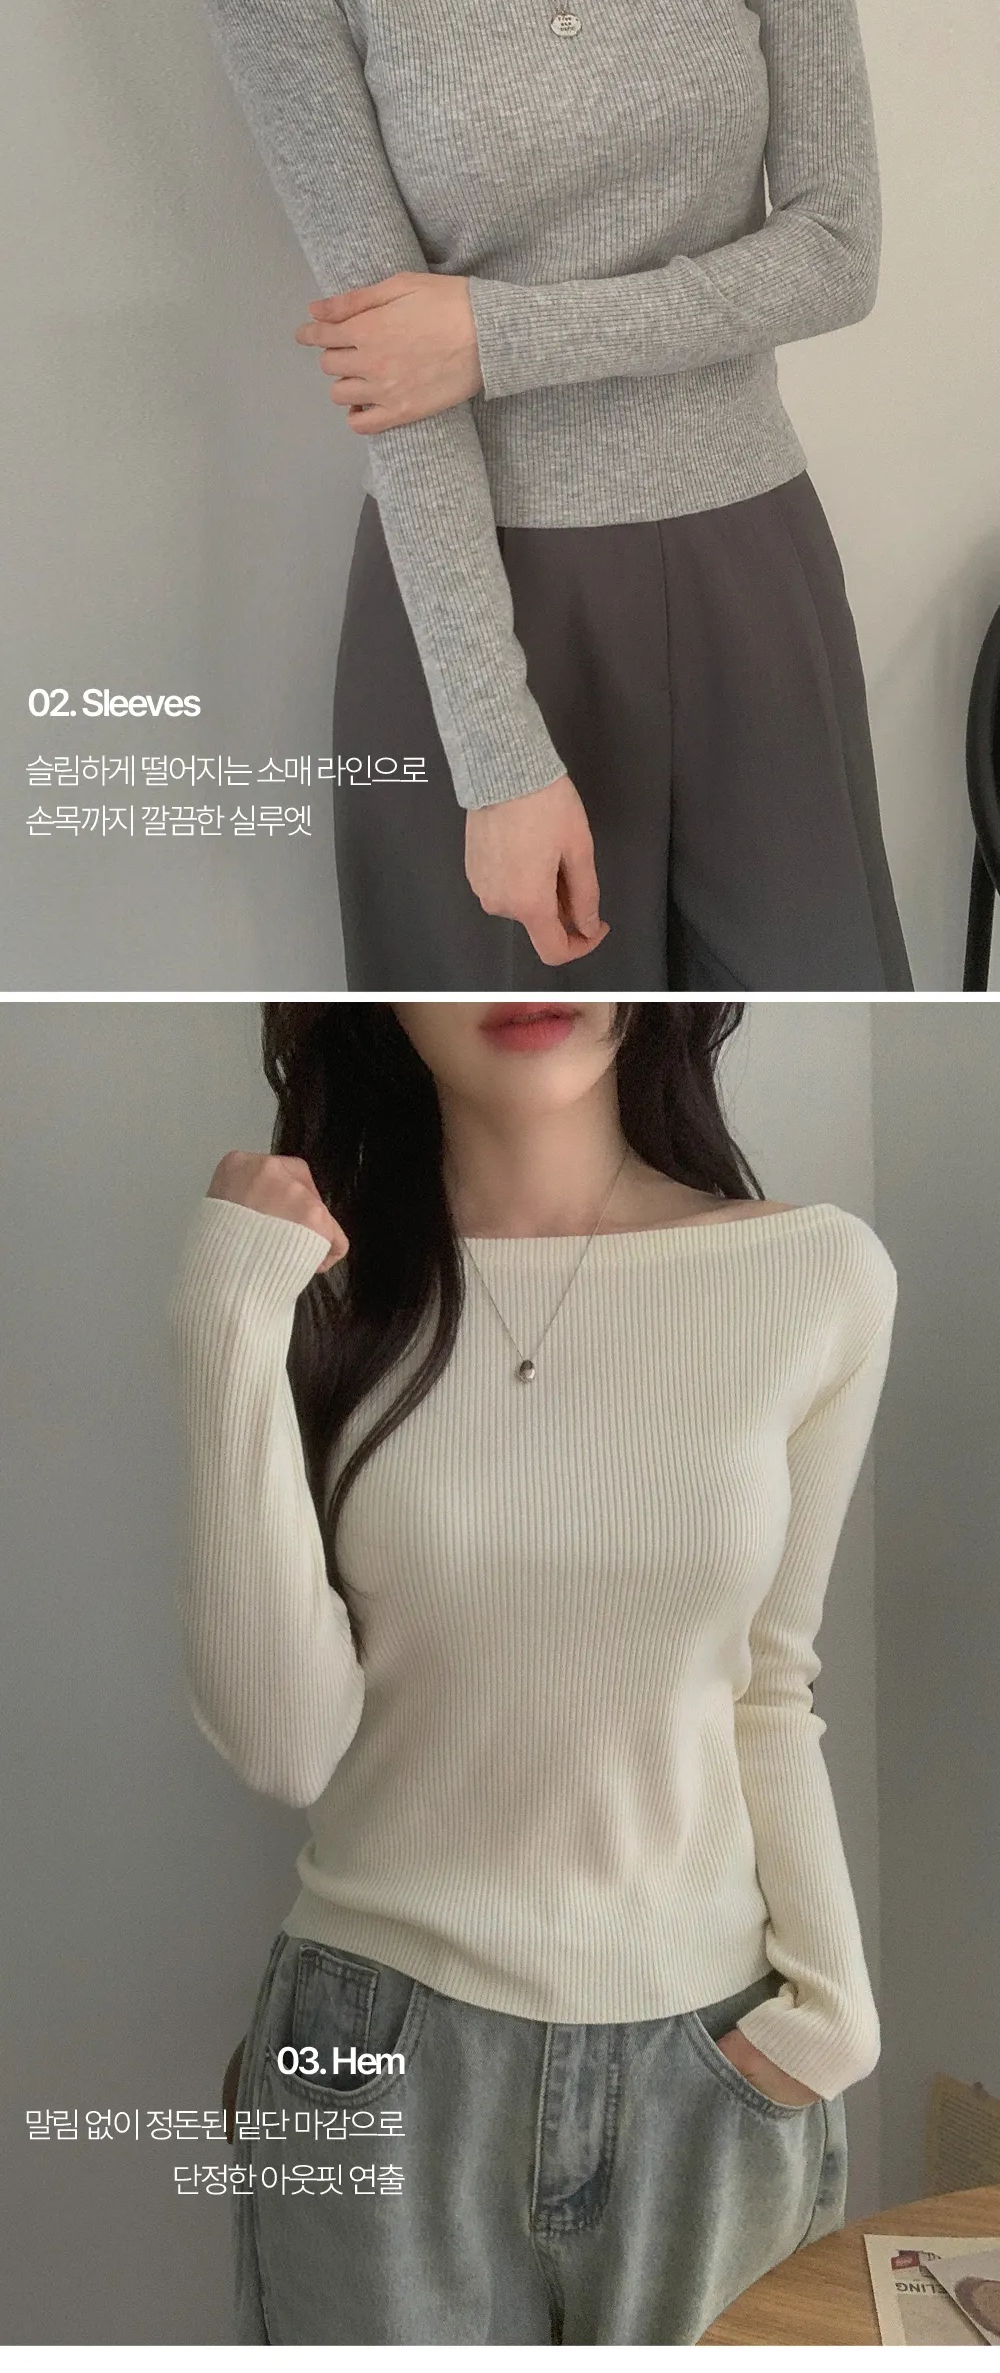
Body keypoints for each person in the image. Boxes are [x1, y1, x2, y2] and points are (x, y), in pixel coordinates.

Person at [167, 996, 899, 2343]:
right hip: (369, 2049)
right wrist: (224, 1313)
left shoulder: (816, 1275)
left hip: (712, 2063)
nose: (513, 977)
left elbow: (771, 1683)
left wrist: (833, 2016)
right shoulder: (320, 1287)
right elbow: (284, 1743)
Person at [196, 0, 912, 991]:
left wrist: (493, 337)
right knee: (510, 1016)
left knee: (814, 984)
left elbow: (834, 253)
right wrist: (498, 757)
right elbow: (393, 378)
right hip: (471, 595)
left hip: (750, 567)